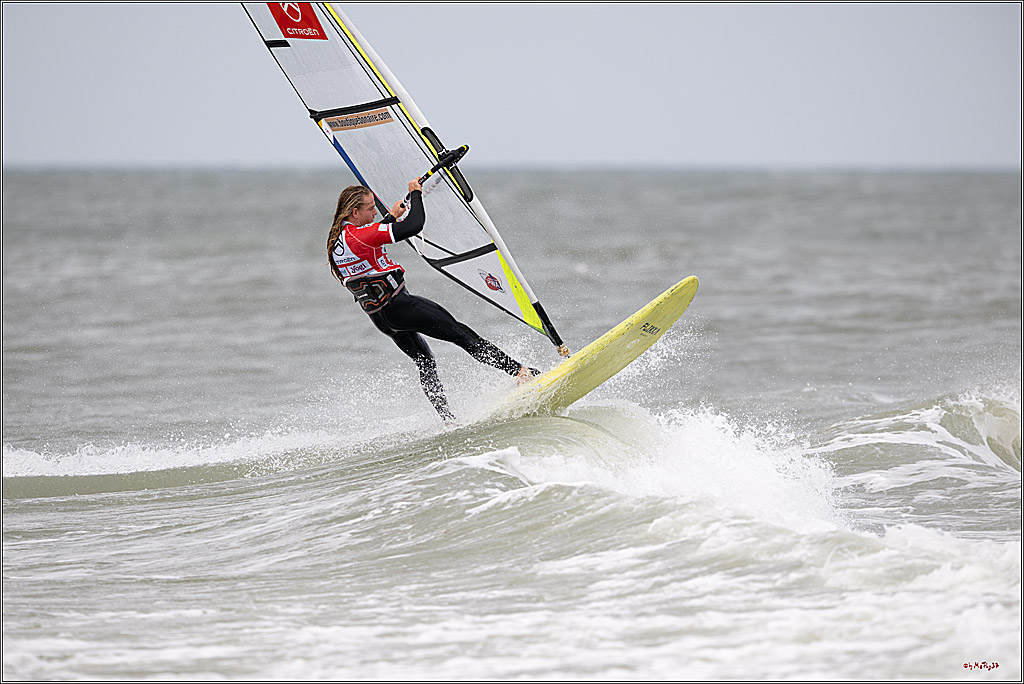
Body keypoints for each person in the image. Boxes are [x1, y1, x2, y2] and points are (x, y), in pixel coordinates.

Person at [327, 179, 538, 422]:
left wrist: (391, 218)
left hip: (382, 320)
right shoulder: (362, 235)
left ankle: (448, 420)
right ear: (355, 212)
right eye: (370, 208)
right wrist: (415, 194)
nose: (375, 212)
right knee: (462, 334)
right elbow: (415, 225)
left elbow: (366, 244)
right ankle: (522, 372)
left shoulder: (338, 240)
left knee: (425, 361)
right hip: (401, 307)